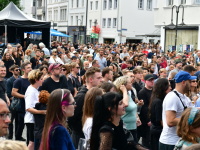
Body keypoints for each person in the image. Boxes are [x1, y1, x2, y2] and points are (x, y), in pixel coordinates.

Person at [159, 71, 196, 150]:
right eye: (190, 82)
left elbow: (193, 111)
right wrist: (191, 121)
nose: (192, 84)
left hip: (179, 140)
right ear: (183, 82)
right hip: (170, 142)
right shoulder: (172, 97)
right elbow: (170, 121)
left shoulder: (184, 97)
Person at [68, 67, 102, 149]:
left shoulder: (96, 94)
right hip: (80, 137)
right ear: (90, 79)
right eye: (98, 78)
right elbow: (72, 118)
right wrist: (83, 130)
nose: (101, 80)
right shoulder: (81, 97)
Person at [24, 69, 46, 150]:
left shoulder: (34, 90)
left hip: (35, 120)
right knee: (32, 142)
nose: (42, 80)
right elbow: (28, 108)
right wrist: (42, 112)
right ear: (36, 80)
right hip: (31, 120)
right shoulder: (31, 91)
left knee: (33, 142)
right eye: (41, 79)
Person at [149, 78, 171, 150]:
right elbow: (161, 120)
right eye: (169, 86)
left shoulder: (157, 99)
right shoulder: (158, 102)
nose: (170, 88)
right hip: (158, 131)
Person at [12, 62, 32, 141]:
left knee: (30, 127)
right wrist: (24, 96)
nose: (30, 69)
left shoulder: (32, 79)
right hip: (21, 106)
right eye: (28, 68)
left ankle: (29, 143)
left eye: (30, 67)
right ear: (23, 70)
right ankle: (17, 141)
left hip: (30, 106)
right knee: (20, 126)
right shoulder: (19, 80)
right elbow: (13, 92)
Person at [137, 74, 155, 149]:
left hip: (154, 116)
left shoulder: (154, 91)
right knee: (147, 139)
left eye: (152, 80)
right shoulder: (142, 92)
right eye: (150, 80)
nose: (152, 82)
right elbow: (144, 108)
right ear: (145, 81)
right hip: (146, 119)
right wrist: (148, 119)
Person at [6, 65, 21, 140]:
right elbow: (9, 93)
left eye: (19, 69)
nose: (18, 71)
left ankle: (17, 136)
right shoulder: (9, 80)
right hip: (13, 103)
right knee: (11, 121)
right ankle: (10, 135)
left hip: (19, 103)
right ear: (12, 71)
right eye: (16, 70)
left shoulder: (20, 79)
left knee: (18, 121)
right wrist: (14, 99)